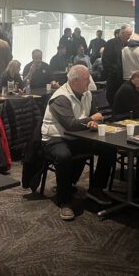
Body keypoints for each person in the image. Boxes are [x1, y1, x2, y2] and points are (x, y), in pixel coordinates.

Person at [41, 65, 117, 220]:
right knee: (63, 156)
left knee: (109, 148)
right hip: (55, 137)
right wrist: (91, 119)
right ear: (75, 81)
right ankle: (64, 200)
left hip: (78, 136)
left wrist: (93, 122)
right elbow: (69, 124)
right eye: (86, 79)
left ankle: (96, 188)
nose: (90, 82)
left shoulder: (87, 93)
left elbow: (95, 115)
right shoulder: (60, 97)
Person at [103, 24, 133, 105]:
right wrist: (112, 72)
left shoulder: (128, 44)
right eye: (128, 34)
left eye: (130, 35)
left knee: (123, 101)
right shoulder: (111, 43)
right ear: (122, 33)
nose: (129, 37)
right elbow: (105, 60)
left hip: (125, 77)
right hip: (114, 78)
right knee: (113, 99)